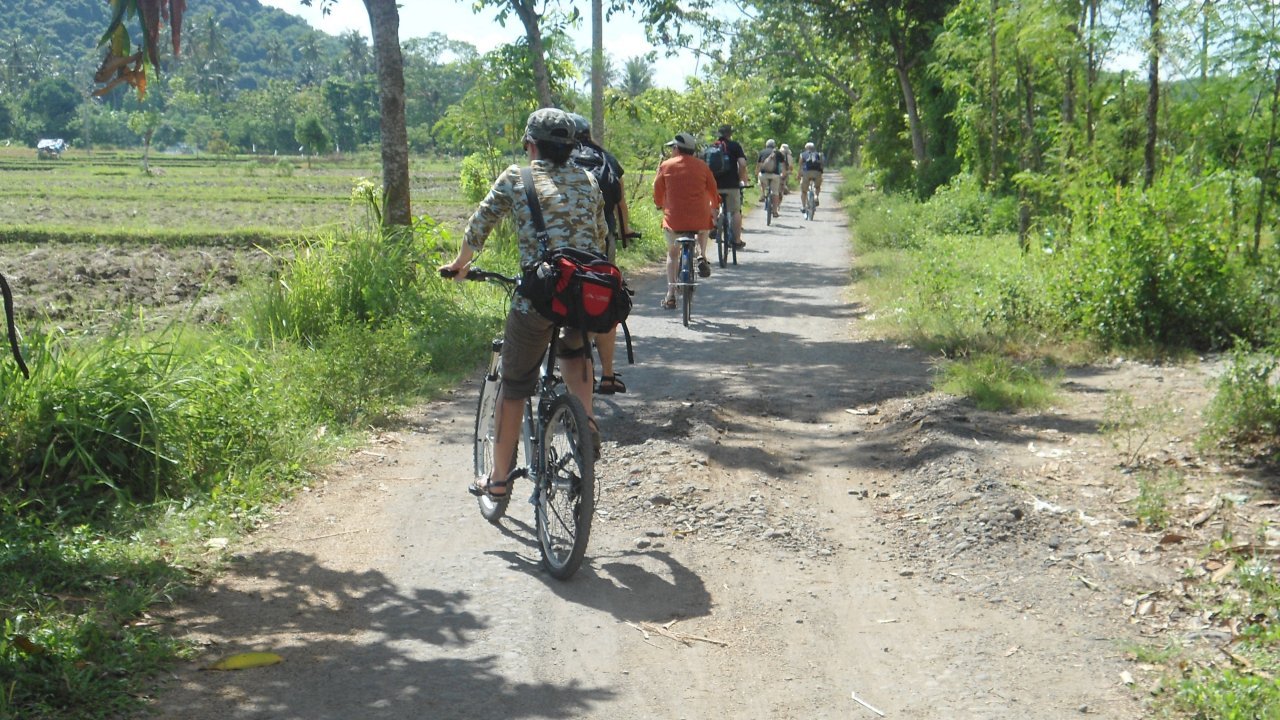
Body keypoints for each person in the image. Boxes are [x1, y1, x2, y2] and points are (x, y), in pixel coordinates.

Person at [439, 108, 607, 498]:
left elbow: (480, 225)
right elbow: (599, 237)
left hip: (538, 298)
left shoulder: (517, 177)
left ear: (531, 145)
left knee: (514, 387)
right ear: (570, 148)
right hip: (584, 294)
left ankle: (497, 482)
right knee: (575, 344)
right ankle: (585, 424)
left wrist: (460, 265)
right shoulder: (588, 178)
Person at [568, 112, 632, 396]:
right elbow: (620, 202)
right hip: (599, 241)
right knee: (604, 301)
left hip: (560, 246)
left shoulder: (557, 160)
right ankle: (607, 375)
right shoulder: (606, 158)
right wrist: (626, 230)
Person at [653, 131, 720, 309]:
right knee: (704, 225)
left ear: (676, 148)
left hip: (674, 220)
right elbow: (713, 191)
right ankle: (701, 254)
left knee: (672, 254)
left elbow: (657, 191)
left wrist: (660, 204)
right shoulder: (703, 166)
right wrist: (715, 208)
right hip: (699, 219)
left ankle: (670, 294)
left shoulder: (666, 166)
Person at [709, 124, 749, 250]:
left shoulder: (712, 146)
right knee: (735, 211)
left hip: (714, 185)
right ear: (729, 134)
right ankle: (736, 241)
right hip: (732, 185)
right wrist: (742, 179)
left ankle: (715, 224)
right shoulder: (735, 146)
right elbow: (742, 164)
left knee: (713, 204)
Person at [757, 139, 786, 212]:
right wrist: (783, 174)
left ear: (766, 145)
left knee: (760, 178)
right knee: (775, 192)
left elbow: (759, 165)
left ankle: (763, 194)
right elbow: (783, 165)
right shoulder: (778, 153)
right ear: (774, 146)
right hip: (775, 175)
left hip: (764, 175)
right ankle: (775, 211)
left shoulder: (762, 152)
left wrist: (757, 173)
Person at [799, 141, 825, 213]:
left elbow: (800, 166)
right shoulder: (819, 154)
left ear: (806, 148)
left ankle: (803, 206)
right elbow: (822, 165)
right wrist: (821, 173)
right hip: (817, 173)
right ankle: (816, 196)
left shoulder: (802, 154)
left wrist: (799, 175)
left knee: (804, 191)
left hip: (806, 173)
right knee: (817, 186)